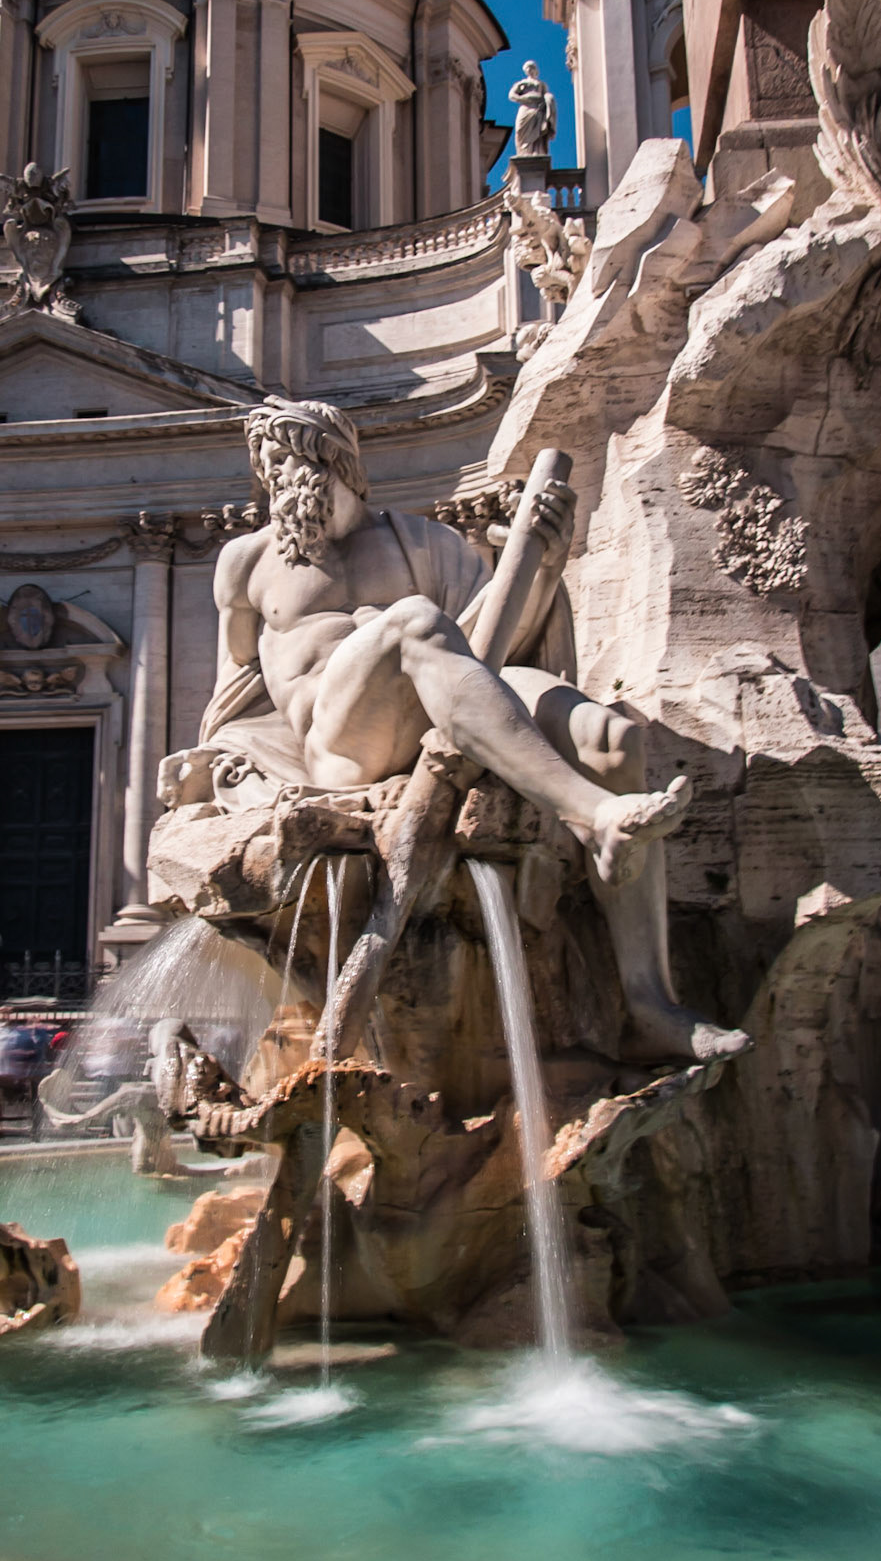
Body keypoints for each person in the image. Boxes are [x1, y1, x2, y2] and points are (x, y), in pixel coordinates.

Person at [197, 397, 748, 1063]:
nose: (278, 476)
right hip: (341, 746)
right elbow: (238, 679)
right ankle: (596, 815)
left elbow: (489, 648)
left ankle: (647, 1001)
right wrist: (221, 758)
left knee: (611, 741)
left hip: (442, 697)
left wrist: (543, 561)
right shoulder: (246, 561)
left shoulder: (424, 541)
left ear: (335, 460)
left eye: (291, 457)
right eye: (270, 463)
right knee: (413, 622)